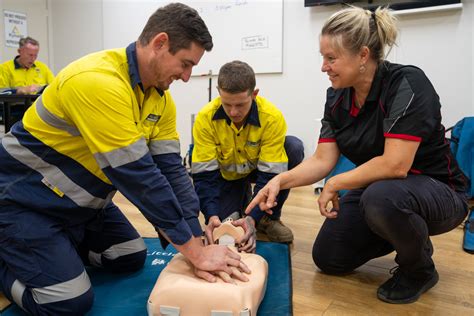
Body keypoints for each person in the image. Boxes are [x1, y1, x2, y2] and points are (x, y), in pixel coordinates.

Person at [0, 4, 250, 315]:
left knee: (129, 256)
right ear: (159, 43)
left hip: (82, 208)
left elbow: (171, 172)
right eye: (185, 64)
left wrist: (196, 237)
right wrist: (194, 253)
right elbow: (140, 178)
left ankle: (53, 253)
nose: (186, 77)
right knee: (66, 302)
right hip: (25, 202)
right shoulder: (97, 81)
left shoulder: (160, 99)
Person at [246, 6, 469, 304]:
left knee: (381, 198)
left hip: (439, 192)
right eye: (322, 57)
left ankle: (419, 269)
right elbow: (323, 160)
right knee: (329, 257)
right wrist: (278, 182)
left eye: (331, 58)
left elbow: (396, 164)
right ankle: (400, 231)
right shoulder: (337, 96)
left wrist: (335, 184)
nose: (324, 67)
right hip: (381, 192)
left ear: (363, 55)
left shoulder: (408, 84)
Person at [192, 60, 304, 251]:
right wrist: (211, 216)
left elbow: (271, 175)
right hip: (226, 178)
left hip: (258, 172)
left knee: (293, 147)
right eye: (227, 104)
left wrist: (252, 219)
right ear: (219, 93)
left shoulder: (271, 117)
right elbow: (204, 176)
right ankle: (243, 201)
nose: (233, 112)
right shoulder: (205, 119)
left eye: (240, 104)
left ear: (254, 94)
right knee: (226, 229)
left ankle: (268, 218)